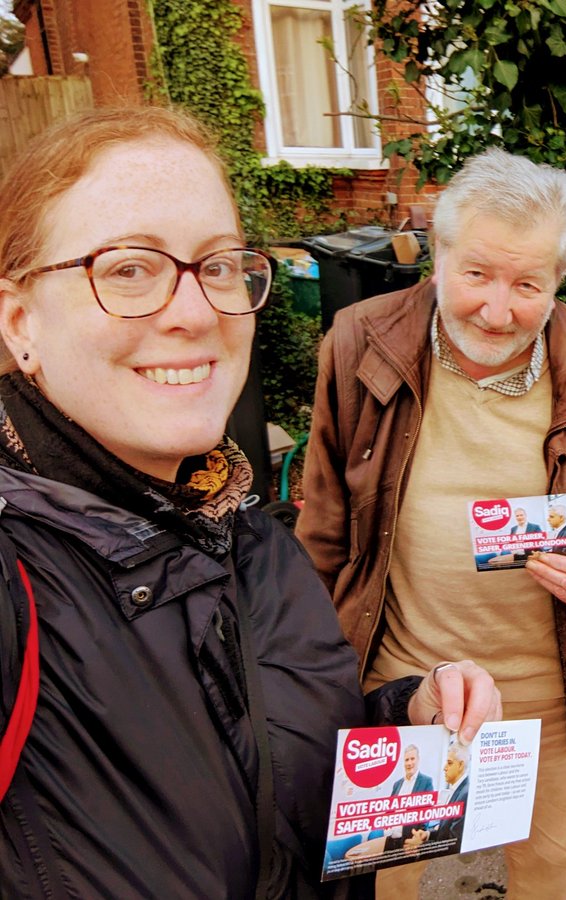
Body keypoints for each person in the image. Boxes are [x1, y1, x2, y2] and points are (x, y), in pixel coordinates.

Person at [0, 107, 501, 898]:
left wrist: (404, 716)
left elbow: (269, 780)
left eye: (219, 264)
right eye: (129, 268)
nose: (195, 312)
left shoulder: (251, 539)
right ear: (20, 320)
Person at [297, 147, 566, 900]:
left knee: (552, 878)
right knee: (377, 880)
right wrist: (311, 679)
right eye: (477, 273)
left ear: (558, 281)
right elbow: (322, 527)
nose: (497, 308)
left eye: (527, 284)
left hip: (547, 699)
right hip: (397, 684)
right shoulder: (359, 342)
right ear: (438, 254)